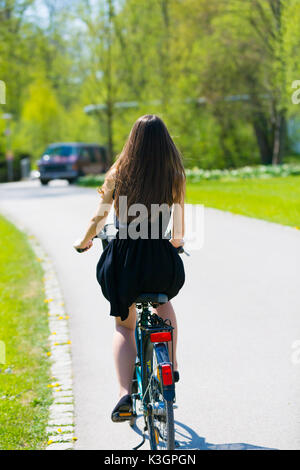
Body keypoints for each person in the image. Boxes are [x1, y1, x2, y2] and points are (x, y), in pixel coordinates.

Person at [74, 114, 185, 421]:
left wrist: (84, 242)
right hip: (159, 261)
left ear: (132, 141)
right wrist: (174, 246)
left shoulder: (118, 173)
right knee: (164, 304)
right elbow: (177, 234)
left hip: (123, 262)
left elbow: (98, 220)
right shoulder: (174, 174)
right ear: (165, 143)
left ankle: (125, 393)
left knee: (125, 325)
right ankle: (170, 367)